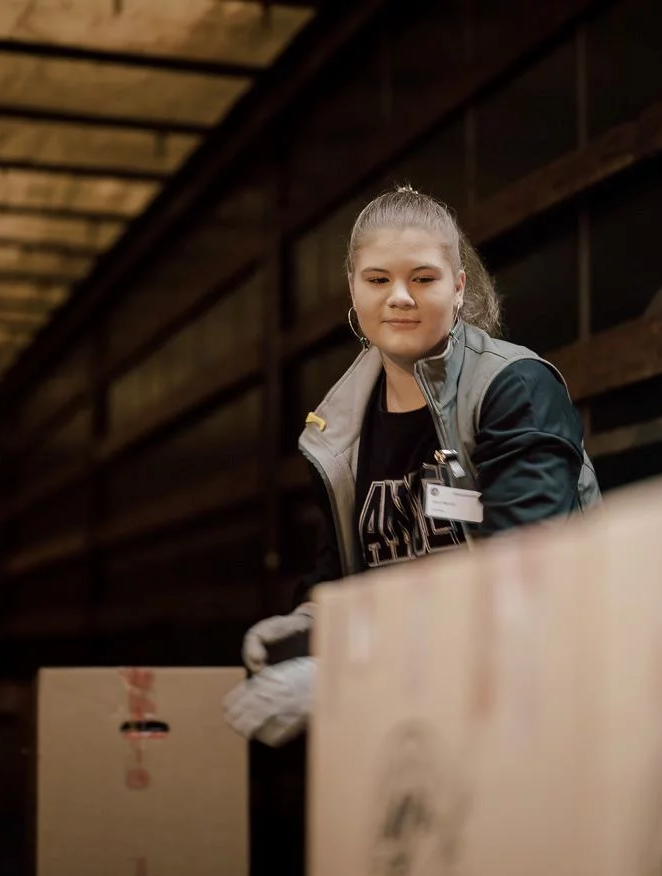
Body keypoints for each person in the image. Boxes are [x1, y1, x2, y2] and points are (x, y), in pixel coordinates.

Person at [224, 184, 601, 742]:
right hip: (406, 719)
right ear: (352, 290)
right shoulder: (338, 425)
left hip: (527, 707)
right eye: (378, 279)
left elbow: (526, 581)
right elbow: (345, 569)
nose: (400, 296)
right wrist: (311, 623)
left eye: (423, 278)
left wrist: (349, 678)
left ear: (457, 287)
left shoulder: (513, 387)